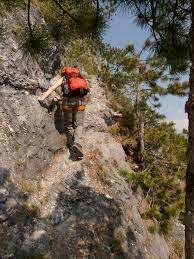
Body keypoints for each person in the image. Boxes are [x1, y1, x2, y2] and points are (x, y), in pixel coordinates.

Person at [60, 66, 89, 160]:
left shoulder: (64, 79)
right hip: (80, 103)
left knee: (69, 125)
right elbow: (86, 89)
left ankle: (72, 145)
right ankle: (78, 144)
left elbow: (54, 89)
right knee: (79, 124)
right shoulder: (80, 77)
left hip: (67, 104)